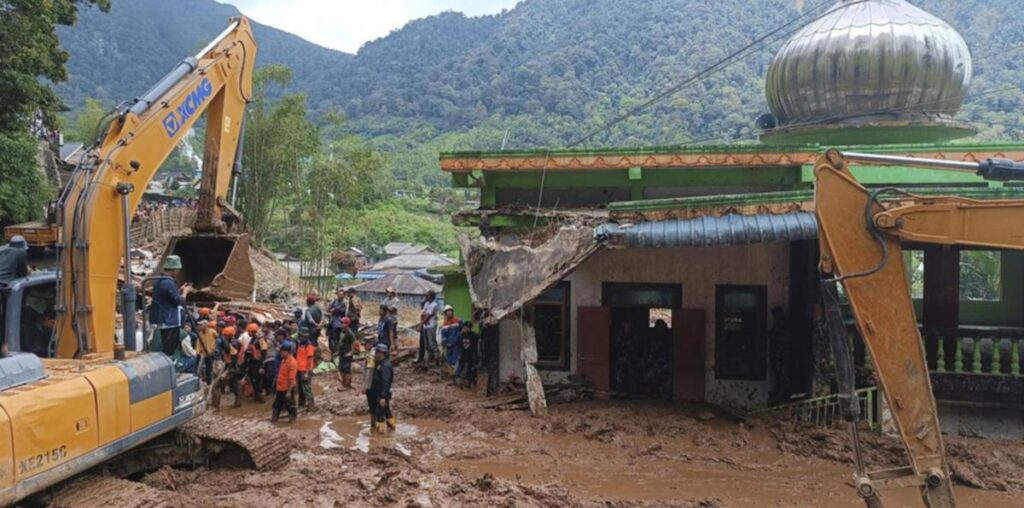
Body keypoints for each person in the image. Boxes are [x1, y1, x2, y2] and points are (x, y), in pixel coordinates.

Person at [149, 255, 192, 357]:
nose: (178, 272)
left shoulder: (161, 281)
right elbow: (178, 301)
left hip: (163, 319)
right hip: (169, 321)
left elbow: (169, 297)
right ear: (174, 269)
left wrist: (179, 290)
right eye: (178, 270)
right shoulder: (168, 283)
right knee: (169, 349)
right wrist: (185, 292)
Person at [368, 343, 395, 434]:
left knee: (379, 413)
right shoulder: (380, 363)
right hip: (379, 391)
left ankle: (380, 435)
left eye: (377, 352)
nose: (375, 354)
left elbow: (386, 382)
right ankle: (392, 428)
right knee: (387, 411)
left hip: (382, 393)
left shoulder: (385, 365)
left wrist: (383, 396)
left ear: (381, 353)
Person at [272, 346, 298, 423]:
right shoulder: (283, 360)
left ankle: (292, 420)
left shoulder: (292, 362)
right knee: (276, 404)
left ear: (287, 352)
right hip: (280, 387)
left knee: (290, 405)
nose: (280, 353)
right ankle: (274, 419)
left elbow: (292, 378)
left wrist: (289, 391)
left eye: (282, 351)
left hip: (287, 388)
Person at [415, 290, 439, 365]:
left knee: (432, 344)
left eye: (427, 296)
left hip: (431, 326)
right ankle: (429, 360)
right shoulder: (426, 303)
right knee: (427, 345)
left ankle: (437, 360)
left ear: (431, 296)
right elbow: (423, 314)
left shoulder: (434, 305)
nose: (425, 297)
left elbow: (427, 317)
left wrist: (420, 325)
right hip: (426, 326)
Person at [295, 326, 316, 411]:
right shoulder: (300, 344)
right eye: (299, 335)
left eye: (301, 336)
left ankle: (311, 405)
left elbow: (310, 360)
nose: (300, 337)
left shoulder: (309, 346)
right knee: (301, 388)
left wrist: (307, 372)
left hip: (305, 370)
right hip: (299, 369)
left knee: (306, 388)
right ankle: (301, 404)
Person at [455, 321, 479, 388]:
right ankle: (459, 383)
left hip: (470, 357)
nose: (464, 330)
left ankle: (467, 383)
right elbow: (456, 344)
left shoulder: (474, 335)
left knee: (467, 371)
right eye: (464, 328)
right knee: (457, 371)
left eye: (466, 328)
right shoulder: (460, 336)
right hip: (462, 356)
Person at [335, 317, 357, 390]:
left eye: (342, 323)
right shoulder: (342, 331)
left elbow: (355, 343)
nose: (341, 324)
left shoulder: (350, 333)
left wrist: (351, 352)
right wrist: (338, 351)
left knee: (346, 370)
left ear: (347, 324)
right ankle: (344, 383)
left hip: (347, 353)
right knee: (342, 369)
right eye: (341, 323)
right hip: (342, 353)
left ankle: (347, 385)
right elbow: (341, 342)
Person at [439, 305, 461, 376]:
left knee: (455, 359)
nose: (449, 313)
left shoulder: (458, 321)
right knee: (449, 360)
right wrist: (444, 344)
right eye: (447, 312)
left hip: (456, 344)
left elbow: (461, 331)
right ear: (445, 314)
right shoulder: (444, 325)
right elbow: (443, 336)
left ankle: (456, 374)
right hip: (448, 345)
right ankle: (451, 374)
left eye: (450, 311)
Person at [327, 288, 348, 355]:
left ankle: (337, 352)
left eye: (342, 294)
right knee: (330, 338)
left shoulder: (344, 303)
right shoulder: (335, 301)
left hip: (338, 324)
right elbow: (329, 308)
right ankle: (332, 350)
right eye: (339, 294)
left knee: (337, 339)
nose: (340, 296)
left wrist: (334, 309)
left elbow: (339, 311)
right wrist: (332, 309)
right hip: (332, 322)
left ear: (344, 295)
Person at [196, 320, 217, 384]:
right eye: (199, 325)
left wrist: (214, 349)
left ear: (205, 325)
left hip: (211, 353)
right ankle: (207, 380)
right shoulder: (200, 334)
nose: (199, 326)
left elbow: (217, 340)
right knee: (204, 368)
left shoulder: (212, 332)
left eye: (201, 325)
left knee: (211, 368)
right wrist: (198, 352)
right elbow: (198, 343)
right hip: (203, 354)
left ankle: (211, 381)